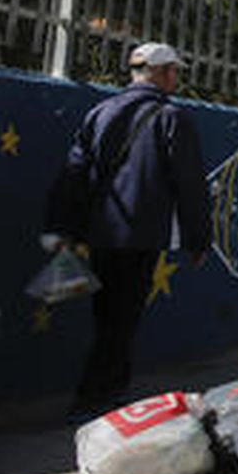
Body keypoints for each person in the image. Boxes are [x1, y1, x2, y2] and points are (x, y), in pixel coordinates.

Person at [43, 42, 211, 420]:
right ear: (162, 72)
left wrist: (61, 226)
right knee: (124, 315)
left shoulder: (101, 112)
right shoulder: (171, 118)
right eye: (174, 72)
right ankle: (97, 396)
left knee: (108, 314)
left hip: (101, 232)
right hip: (141, 234)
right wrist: (198, 238)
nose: (176, 79)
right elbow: (189, 184)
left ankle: (104, 391)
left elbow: (74, 173)